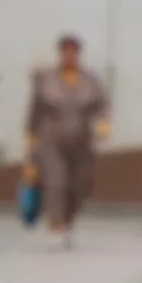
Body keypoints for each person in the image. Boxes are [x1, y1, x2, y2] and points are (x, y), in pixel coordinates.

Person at [25, 34, 111, 250]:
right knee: (56, 179)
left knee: (79, 183)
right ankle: (55, 227)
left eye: (73, 52)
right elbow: (35, 109)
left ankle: (67, 220)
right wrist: (31, 139)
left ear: (79, 54)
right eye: (66, 52)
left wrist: (103, 123)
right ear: (61, 54)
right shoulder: (46, 78)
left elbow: (102, 105)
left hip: (81, 141)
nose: (69, 56)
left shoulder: (89, 79)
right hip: (50, 139)